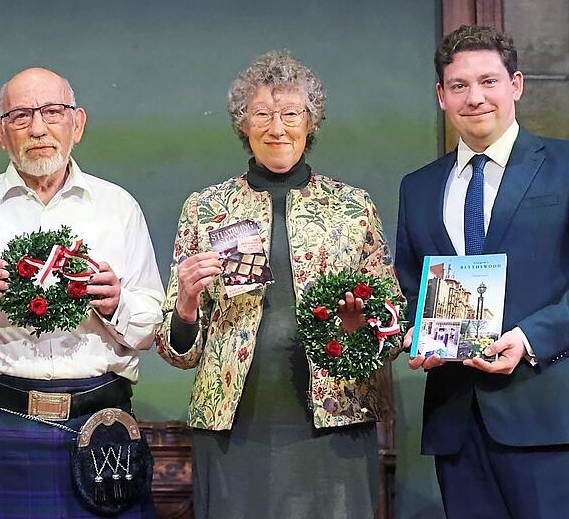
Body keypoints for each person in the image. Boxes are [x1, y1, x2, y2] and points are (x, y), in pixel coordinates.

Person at [396, 24, 569, 518]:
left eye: (488, 81)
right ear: (442, 96)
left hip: (551, 413)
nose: (475, 97)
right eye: (459, 85)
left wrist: (530, 338)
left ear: (516, 85)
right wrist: (412, 334)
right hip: (457, 422)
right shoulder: (418, 187)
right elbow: (411, 288)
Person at [0, 67, 164, 518]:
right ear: (0, 132)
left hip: (101, 431)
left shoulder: (119, 208)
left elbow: (150, 327)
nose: (39, 128)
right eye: (21, 115)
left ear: (77, 124)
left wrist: (117, 305)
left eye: (53, 112)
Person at [156, 51, 399, 518]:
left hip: (336, 420)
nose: (277, 128)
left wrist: (359, 331)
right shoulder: (205, 208)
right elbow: (177, 351)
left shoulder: (353, 207)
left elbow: (392, 319)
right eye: (261, 114)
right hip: (232, 426)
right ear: (242, 124)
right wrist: (186, 303)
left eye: (290, 113)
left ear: (311, 122)